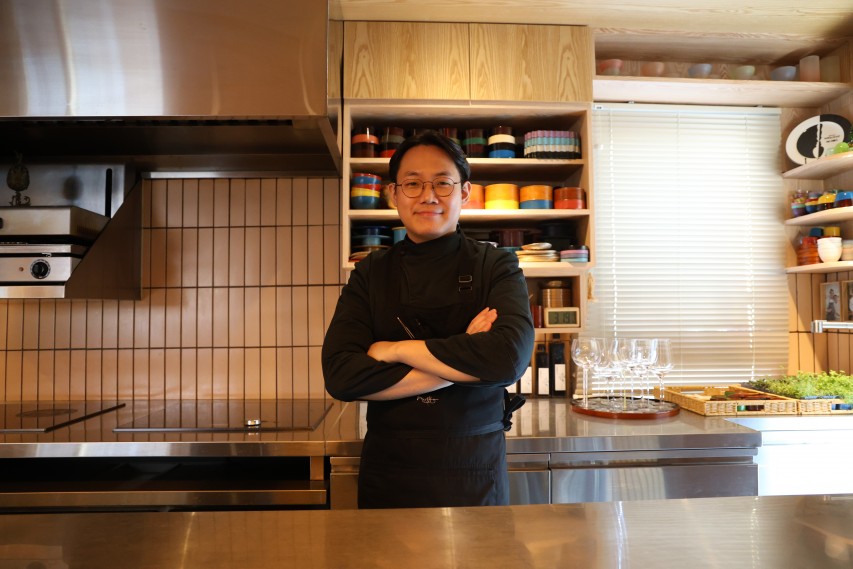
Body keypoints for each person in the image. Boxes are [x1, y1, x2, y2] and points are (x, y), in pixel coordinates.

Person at [322, 130, 535, 509]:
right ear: (393, 194)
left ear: (464, 192)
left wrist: (394, 350)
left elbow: (507, 360)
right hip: (390, 470)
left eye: (442, 183)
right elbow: (341, 375)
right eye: (413, 184)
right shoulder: (370, 273)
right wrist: (465, 356)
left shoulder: (496, 265)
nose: (428, 195)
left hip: (474, 470)